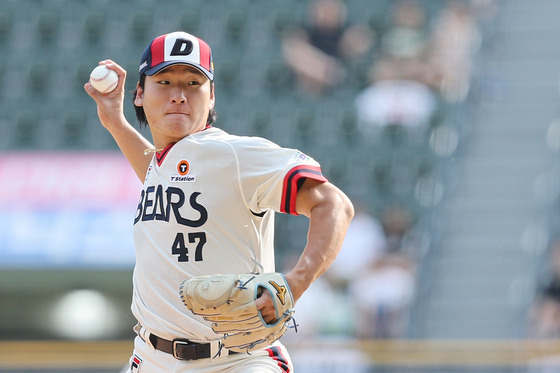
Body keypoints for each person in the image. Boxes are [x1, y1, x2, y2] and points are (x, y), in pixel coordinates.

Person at [84, 31, 354, 372]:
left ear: (211, 97)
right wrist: (115, 122)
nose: (178, 96)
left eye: (193, 83)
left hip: (236, 361)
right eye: (164, 81)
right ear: (139, 94)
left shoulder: (233, 154)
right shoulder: (165, 162)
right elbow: (164, 175)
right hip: (150, 358)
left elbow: (334, 204)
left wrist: (295, 282)